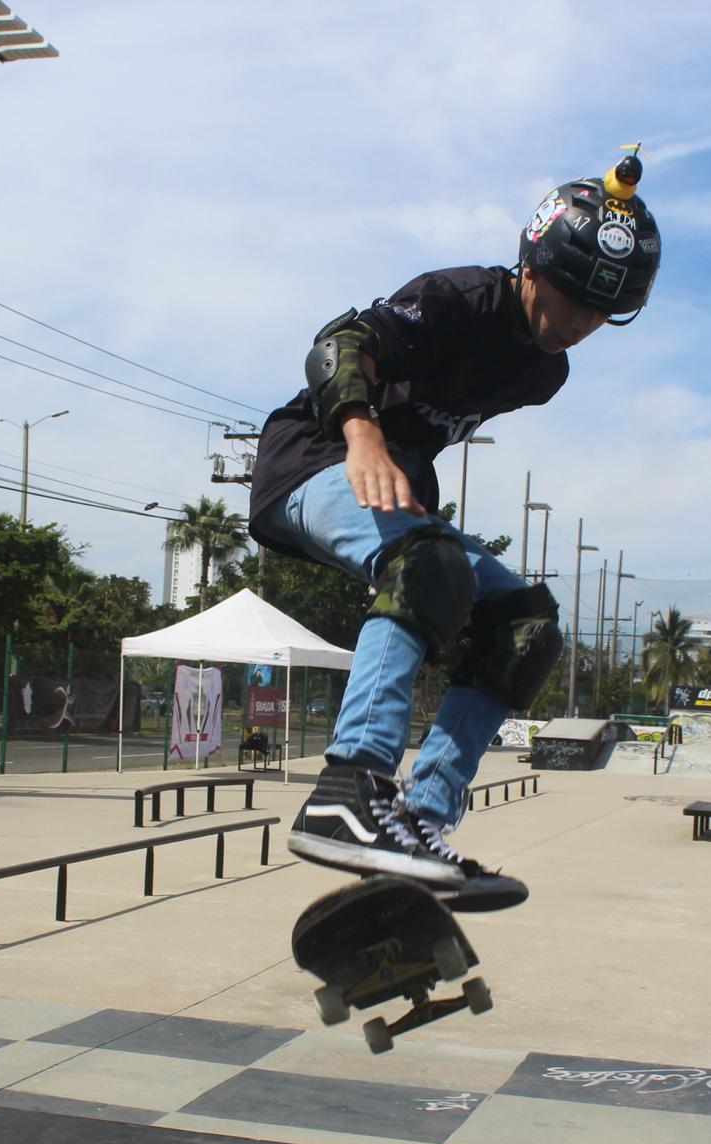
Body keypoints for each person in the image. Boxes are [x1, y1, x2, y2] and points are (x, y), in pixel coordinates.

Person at [247, 149, 661, 910]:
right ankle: (351, 789)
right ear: (531, 265)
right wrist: (363, 436)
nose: (577, 324)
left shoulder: (543, 373)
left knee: (525, 624)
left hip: (391, 486)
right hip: (313, 458)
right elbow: (337, 344)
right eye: (569, 298)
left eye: (601, 314)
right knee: (428, 564)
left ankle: (417, 822)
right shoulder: (458, 297)